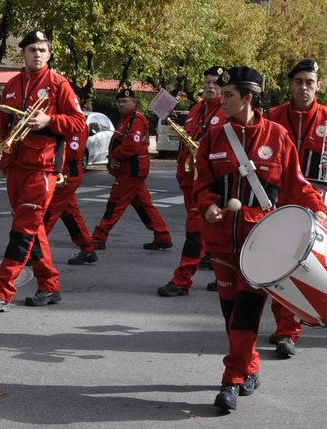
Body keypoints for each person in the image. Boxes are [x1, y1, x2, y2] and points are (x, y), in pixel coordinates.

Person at [192, 66, 326, 412]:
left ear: (248, 98)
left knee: (246, 313)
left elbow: (298, 185)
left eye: (229, 95)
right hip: (221, 241)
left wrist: (319, 210)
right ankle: (249, 366)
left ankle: (232, 379)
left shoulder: (278, 138)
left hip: (262, 245)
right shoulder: (213, 137)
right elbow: (201, 184)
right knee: (230, 313)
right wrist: (207, 206)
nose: (222, 101)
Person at [0, 29, 85, 313]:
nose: (38, 54)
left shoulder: (59, 84)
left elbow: (79, 124)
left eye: (43, 50)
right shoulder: (11, 83)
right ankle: (49, 285)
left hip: (43, 168)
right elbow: (4, 125)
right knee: (33, 229)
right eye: (32, 49)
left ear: (48, 55)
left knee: (22, 231)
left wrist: (49, 120)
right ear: (22, 53)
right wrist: (5, 157)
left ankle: (2, 292)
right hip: (16, 166)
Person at [263, 59, 327, 357]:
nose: (304, 87)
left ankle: (288, 331)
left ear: (318, 85)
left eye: (309, 82)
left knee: (301, 266)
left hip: (317, 200)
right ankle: (284, 326)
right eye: (299, 81)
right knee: (279, 264)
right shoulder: (274, 115)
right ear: (291, 84)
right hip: (279, 199)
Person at [158, 66, 226, 297]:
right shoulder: (197, 108)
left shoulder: (226, 111)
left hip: (209, 181)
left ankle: (182, 280)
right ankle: (225, 277)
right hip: (190, 178)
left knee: (195, 231)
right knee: (213, 234)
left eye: (215, 83)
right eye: (207, 82)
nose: (210, 86)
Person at [91, 87, 171, 250]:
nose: (121, 104)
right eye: (119, 102)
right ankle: (162, 235)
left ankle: (99, 236)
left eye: (125, 101)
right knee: (143, 205)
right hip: (131, 170)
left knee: (115, 203)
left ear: (134, 102)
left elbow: (131, 146)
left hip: (131, 170)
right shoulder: (127, 119)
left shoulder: (136, 120)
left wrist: (115, 156)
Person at [48, 114, 100, 264]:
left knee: (49, 211)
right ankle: (87, 248)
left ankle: (33, 247)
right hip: (61, 171)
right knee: (69, 212)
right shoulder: (61, 118)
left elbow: (73, 152)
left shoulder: (77, 122)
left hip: (68, 173)